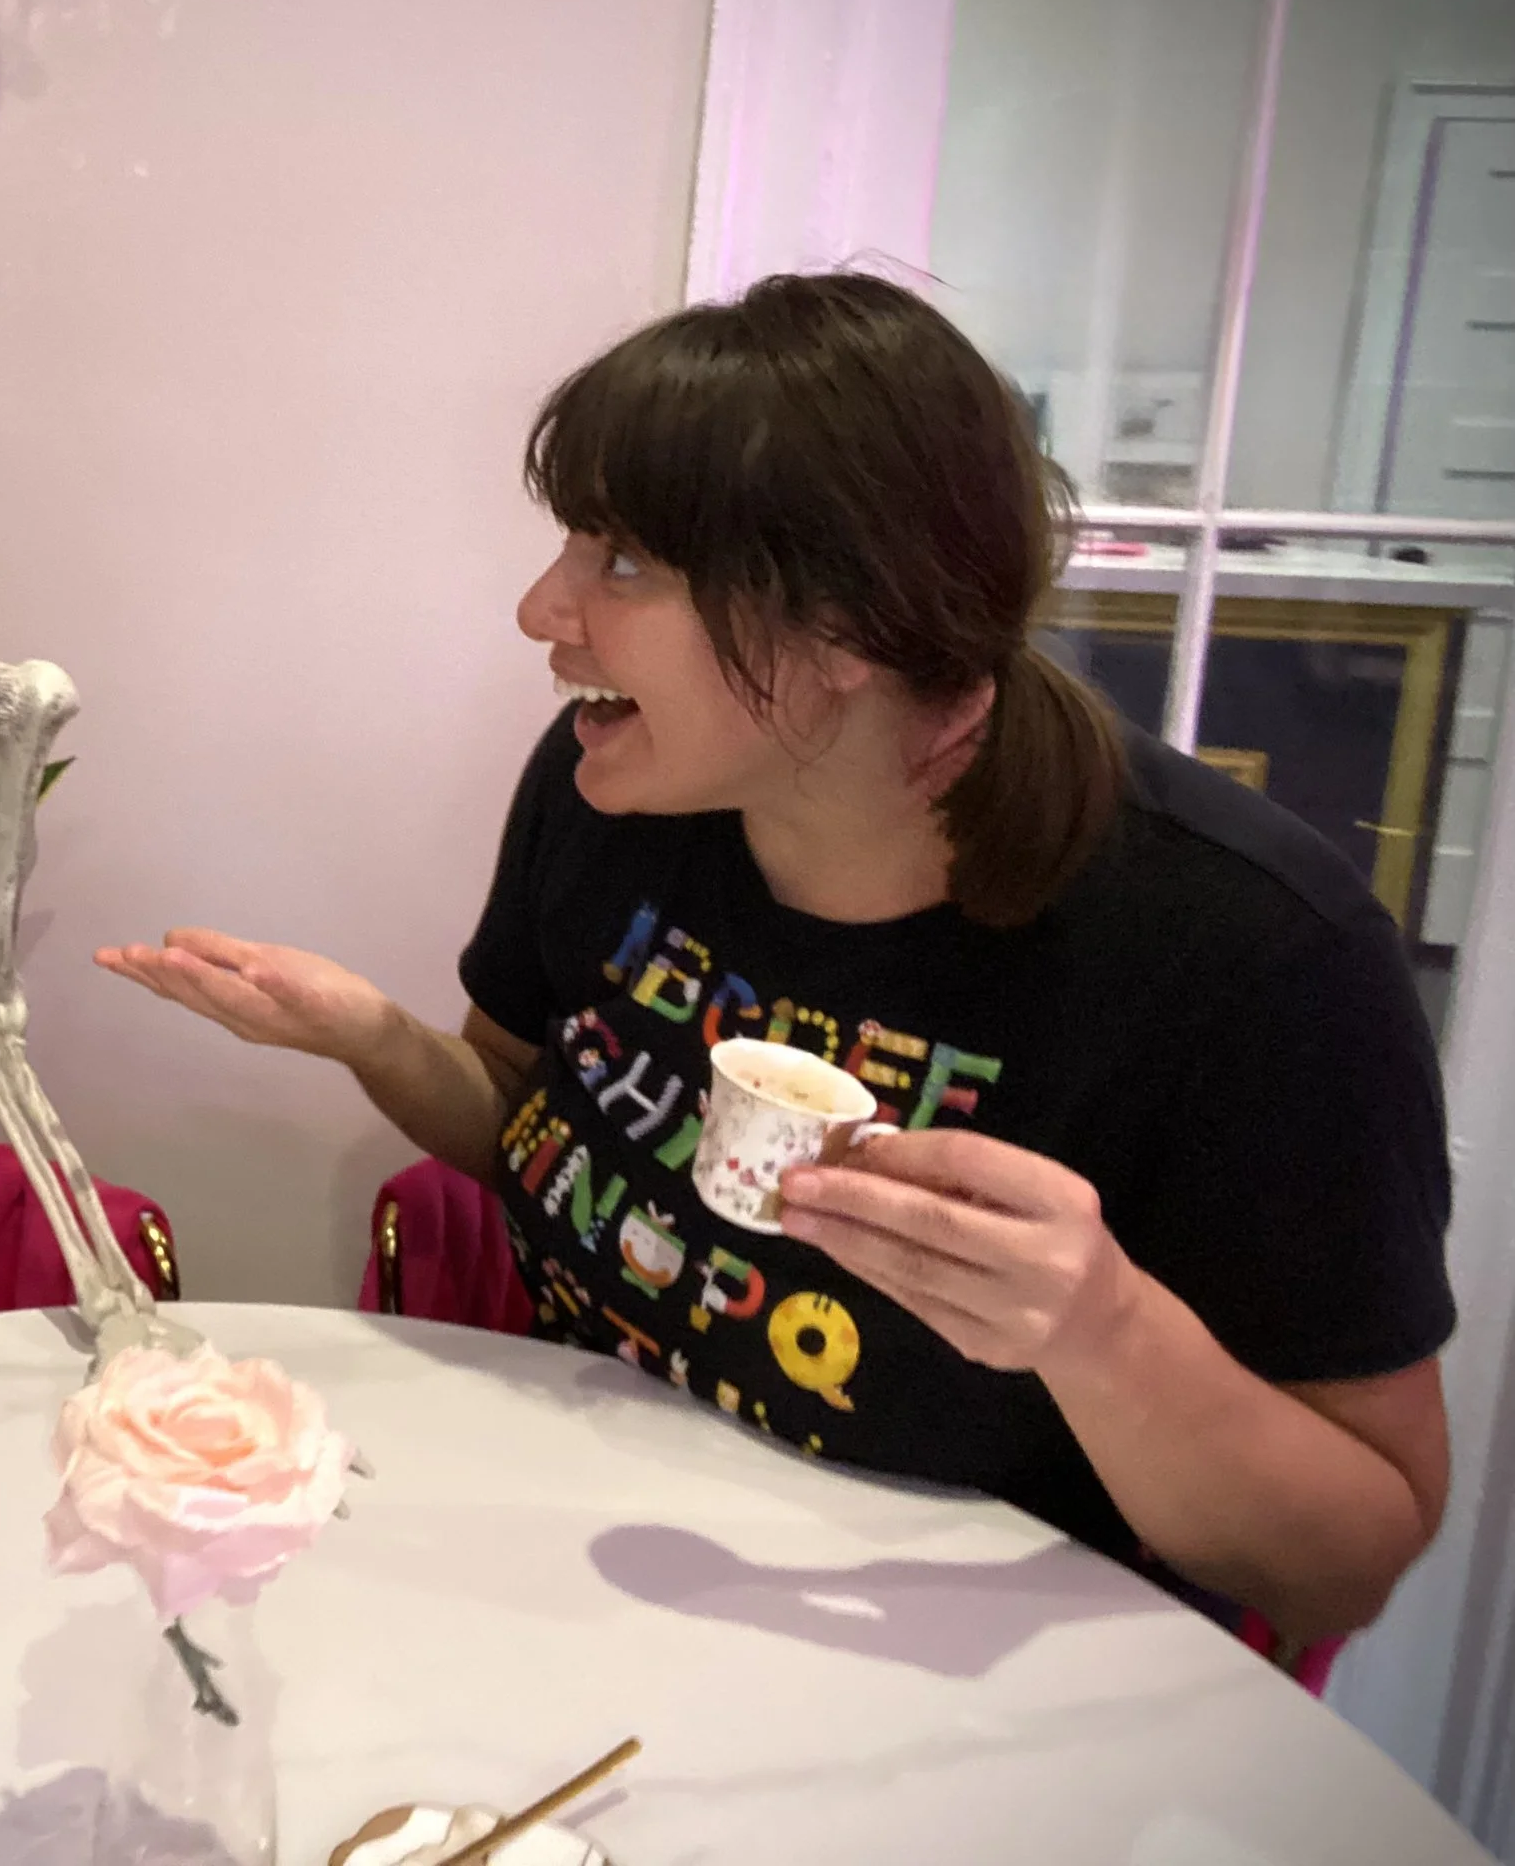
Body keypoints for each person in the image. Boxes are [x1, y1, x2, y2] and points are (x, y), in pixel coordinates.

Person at [96, 272, 1454, 1648]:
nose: (539, 610)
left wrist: (1099, 1328)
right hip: (594, 1590)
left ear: (848, 623)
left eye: (621, 563)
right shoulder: (608, 797)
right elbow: (527, 1134)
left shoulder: (1255, 955)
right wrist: (374, 1040)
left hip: (953, 1702)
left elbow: (1349, 1560)